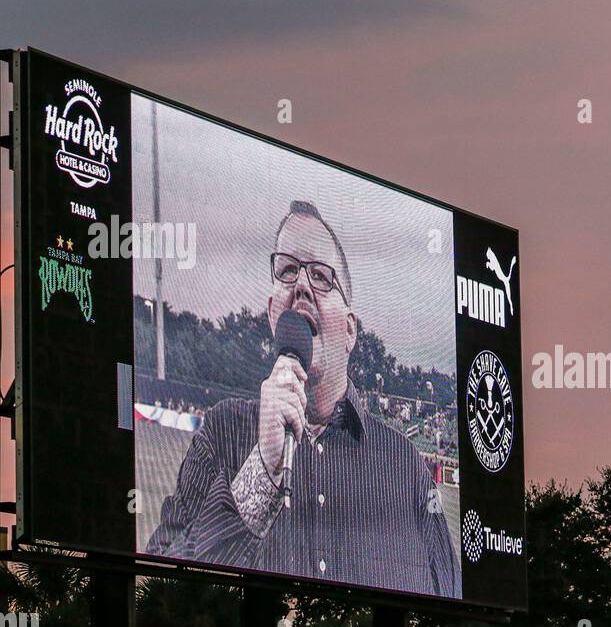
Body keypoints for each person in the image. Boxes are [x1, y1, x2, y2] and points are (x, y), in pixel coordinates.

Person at [145, 201, 460, 598]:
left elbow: (451, 609)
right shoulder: (222, 431)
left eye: (321, 276)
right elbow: (161, 593)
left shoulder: (405, 464)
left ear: (350, 331)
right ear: (272, 310)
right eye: (288, 270)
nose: (302, 285)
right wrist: (262, 471)